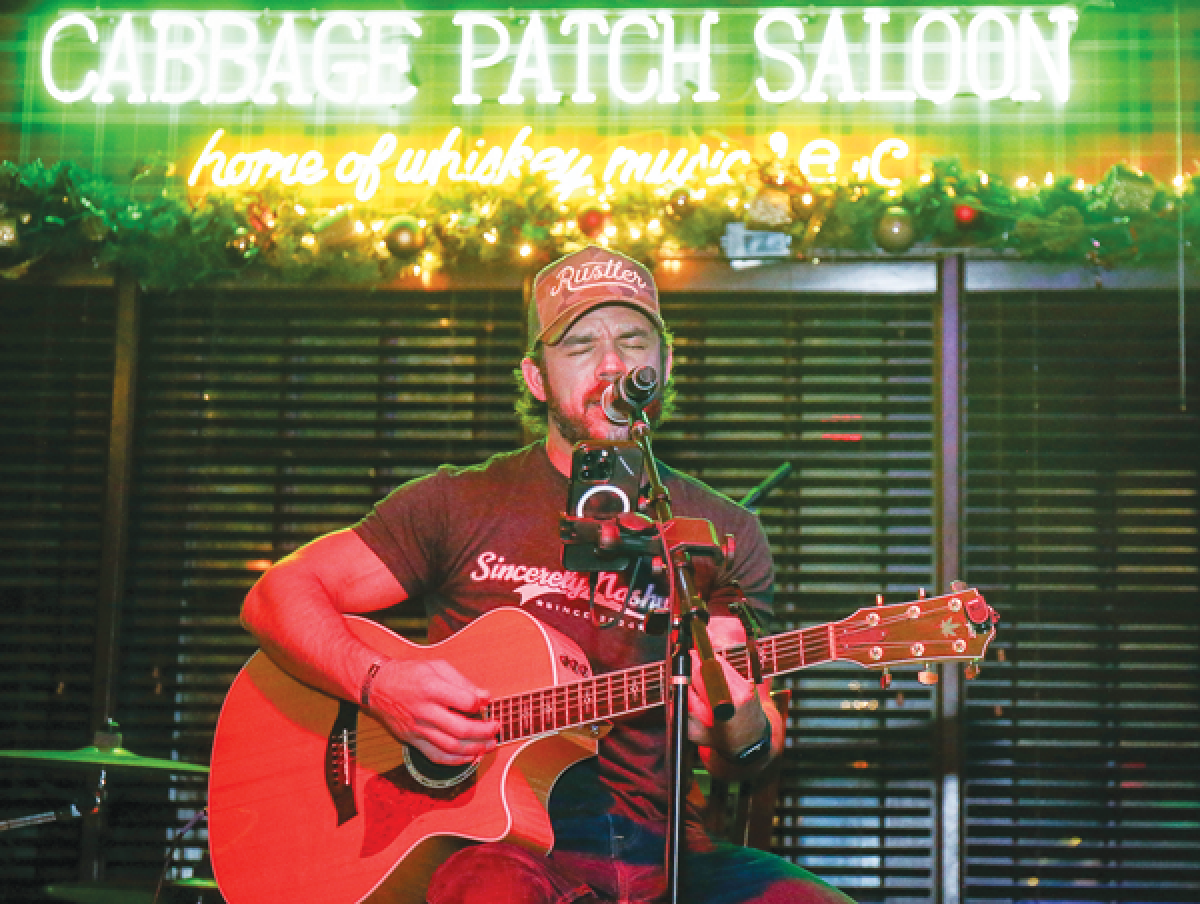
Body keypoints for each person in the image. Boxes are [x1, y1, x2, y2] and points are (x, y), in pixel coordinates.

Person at [241, 246, 856, 904]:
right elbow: (276, 595)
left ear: (664, 365)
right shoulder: (461, 502)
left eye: (632, 340)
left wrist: (738, 722)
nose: (612, 364)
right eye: (581, 345)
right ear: (536, 378)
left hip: (667, 854)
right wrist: (381, 684)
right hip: (500, 847)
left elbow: (747, 749)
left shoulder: (719, 530)